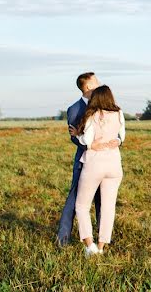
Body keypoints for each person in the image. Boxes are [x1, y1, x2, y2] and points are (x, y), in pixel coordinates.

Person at [74, 85, 125, 257]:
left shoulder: (92, 115)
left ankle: (90, 246)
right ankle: (102, 247)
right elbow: (121, 136)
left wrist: (77, 136)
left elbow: (87, 140)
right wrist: (116, 140)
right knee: (108, 207)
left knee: (81, 205)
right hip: (114, 164)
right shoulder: (119, 113)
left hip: (95, 163)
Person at [56, 72, 103, 246]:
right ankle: (63, 239)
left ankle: (102, 239)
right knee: (74, 199)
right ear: (89, 87)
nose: (100, 84)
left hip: (103, 162)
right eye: (96, 82)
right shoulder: (74, 109)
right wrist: (91, 145)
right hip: (84, 161)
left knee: (101, 200)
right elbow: (74, 137)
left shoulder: (102, 105)